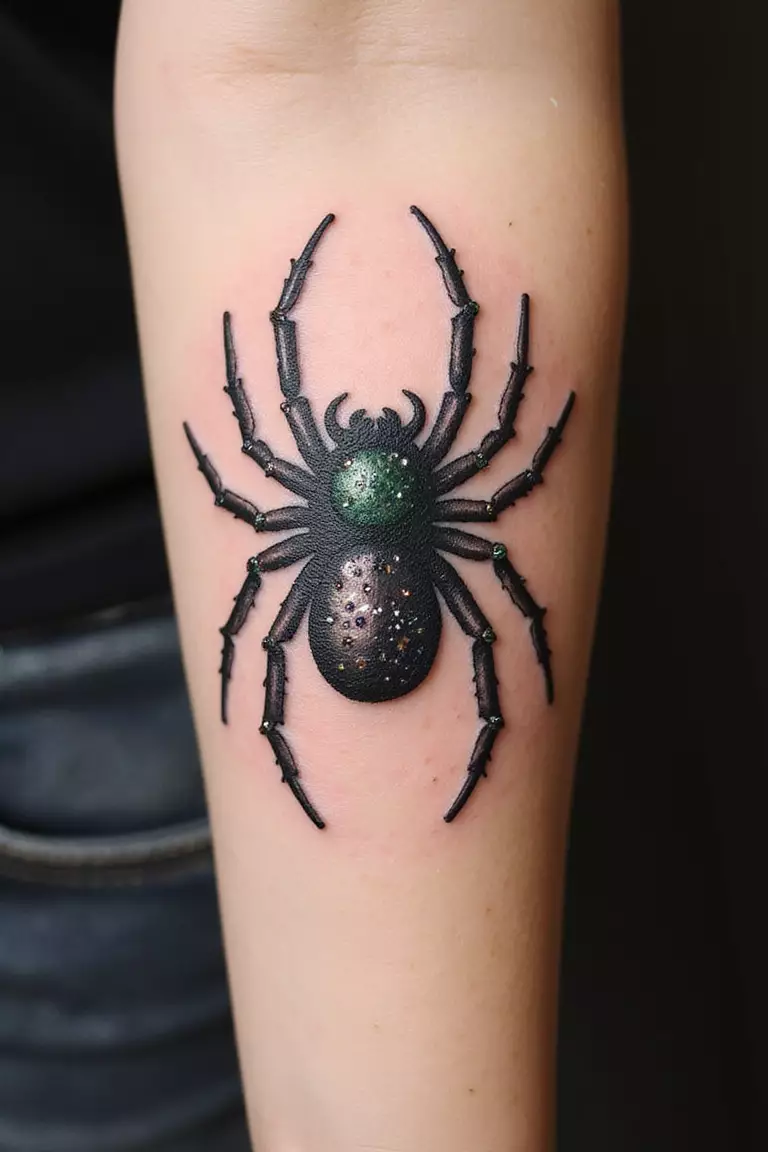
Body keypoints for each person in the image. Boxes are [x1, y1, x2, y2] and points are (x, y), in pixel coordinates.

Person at [115, 2, 626, 1148]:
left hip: (105, 694)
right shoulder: (442, 498)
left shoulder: (314, 496)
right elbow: (496, 450)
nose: (374, 425)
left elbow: (369, 59)